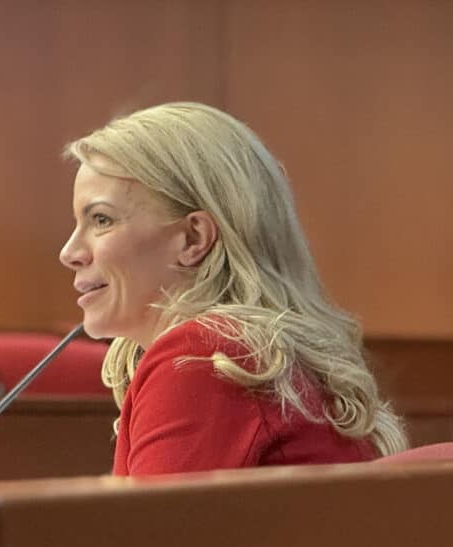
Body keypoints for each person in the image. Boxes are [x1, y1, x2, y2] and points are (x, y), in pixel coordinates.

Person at [58, 102, 407, 476]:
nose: (69, 253)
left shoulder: (202, 357)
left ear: (193, 238)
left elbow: (150, 519)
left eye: (101, 220)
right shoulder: (244, 350)